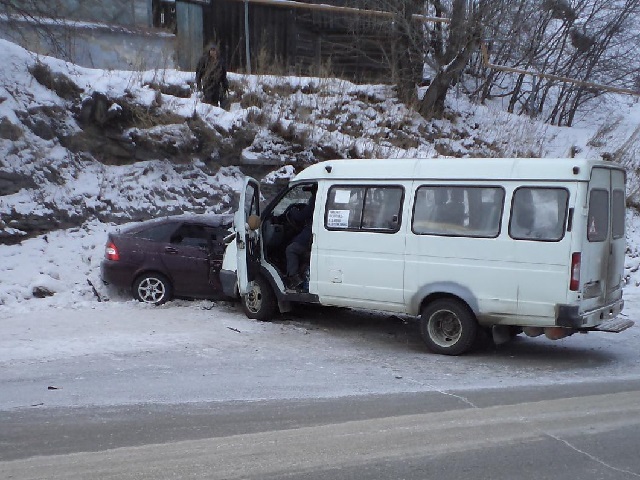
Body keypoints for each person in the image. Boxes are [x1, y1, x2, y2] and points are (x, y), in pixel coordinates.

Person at [285, 186, 317, 290]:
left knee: (291, 249)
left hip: (311, 235)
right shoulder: (325, 197)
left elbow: (302, 216)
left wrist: (293, 211)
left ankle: (294, 278)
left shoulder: (316, 198)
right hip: (314, 234)